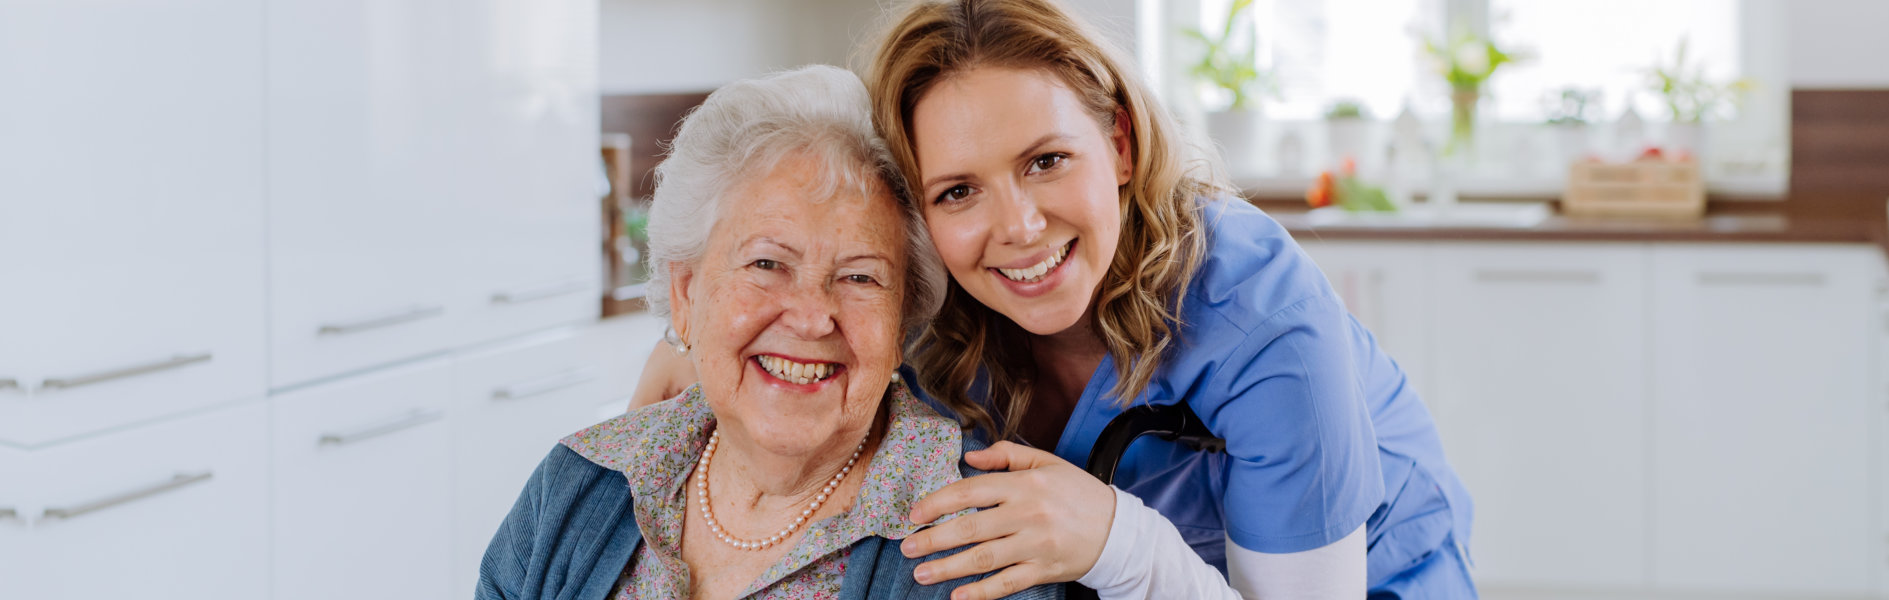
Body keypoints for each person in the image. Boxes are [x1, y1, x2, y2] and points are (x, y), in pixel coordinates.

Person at [857, 1, 1476, 599]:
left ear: (1119, 146)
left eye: (1047, 161)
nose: (1019, 227)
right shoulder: (917, 325)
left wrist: (1117, 543)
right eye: (959, 191)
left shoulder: (1260, 318)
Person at [478, 65, 1060, 600]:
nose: (811, 317)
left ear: (902, 323)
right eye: (766, 264)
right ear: (686, 295)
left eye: (859, 277)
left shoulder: (982, 545)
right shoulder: (578, 483)